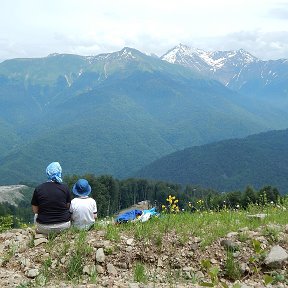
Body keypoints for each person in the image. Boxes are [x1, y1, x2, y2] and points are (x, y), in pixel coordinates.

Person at [31, 162, 71, 235]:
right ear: (60, 172)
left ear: (47, 173)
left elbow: (35, 210)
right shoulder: (65, 188)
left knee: (36, 216)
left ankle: (41, 234)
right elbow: (67, 207)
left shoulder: (39, 189)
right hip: (63, 226)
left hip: (44, 227)